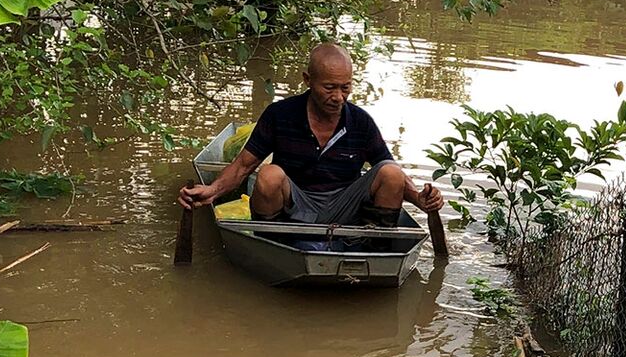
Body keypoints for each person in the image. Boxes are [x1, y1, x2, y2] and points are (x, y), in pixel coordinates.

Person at [179, 43, 444, 229]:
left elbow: (388, 169)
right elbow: (243, 166)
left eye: (345, 87)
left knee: (391, 172)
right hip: (295, 202)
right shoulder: (280, 114)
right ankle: (274, 242)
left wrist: (420, 199)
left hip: (344, 204)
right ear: (308, 80)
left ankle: (371, 246)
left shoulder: (360, 121)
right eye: (329, 87)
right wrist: (212, 191)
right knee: (269, 175)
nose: (338, 97)